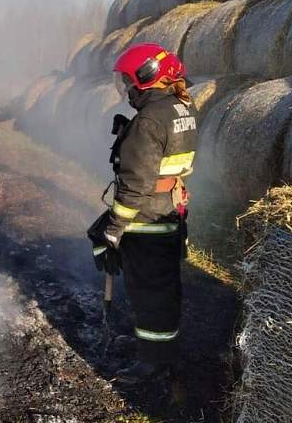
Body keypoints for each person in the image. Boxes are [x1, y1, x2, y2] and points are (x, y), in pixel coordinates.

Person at [88, 43, 197, 384]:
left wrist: (114, 228)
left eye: (128, 82)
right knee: (164, 288)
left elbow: (135, 185)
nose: (127, 90)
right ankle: (164, 351)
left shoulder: (148, 122)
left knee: (149, 293)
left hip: (146, 221)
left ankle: (152, 362)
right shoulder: (181, 108)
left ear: (147, 77)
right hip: (170, 213)